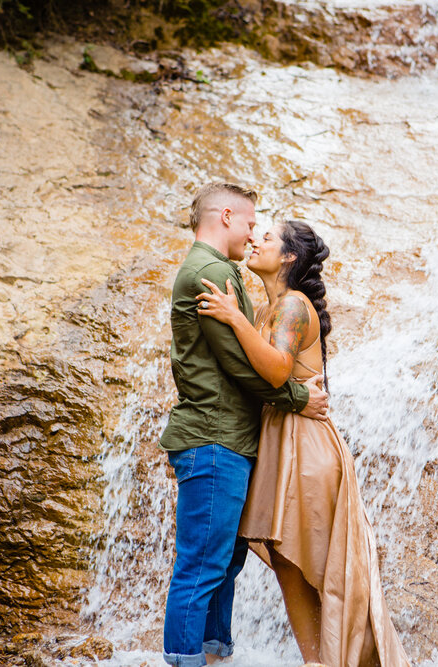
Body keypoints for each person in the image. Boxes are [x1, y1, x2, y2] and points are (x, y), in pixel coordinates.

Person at [196, 219, 412, 667]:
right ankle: (318, 661)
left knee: (314, 561)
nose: (255, 240)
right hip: (283, 441)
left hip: (307, 446)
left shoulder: (293, 306)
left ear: (289, 256)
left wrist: (234, 316)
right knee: (286, 553)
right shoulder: (269, 309)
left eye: (267, 237)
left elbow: (276, 371)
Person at [159, 184, 330, 667]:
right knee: (203, 565)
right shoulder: (212, 272)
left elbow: (252, 360)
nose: (253, 234)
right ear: (228, 216)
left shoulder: (241, 282)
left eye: (264, 232)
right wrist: (300, 398)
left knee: (224, 563)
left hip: (233, 440)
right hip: (215, 439)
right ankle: (189, 660)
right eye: (252, 224)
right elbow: (244, 365)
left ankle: (215, 657)